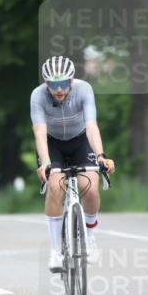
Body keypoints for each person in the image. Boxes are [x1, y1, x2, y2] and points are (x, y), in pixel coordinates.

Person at [31, 55, 115, 271]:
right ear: (46, 84)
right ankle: (56, 252)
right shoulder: (38, 96)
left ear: (72, 81)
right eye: (53, 84)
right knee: (55, 186)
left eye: (63, 84)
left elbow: (91, 126)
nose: (58, 89)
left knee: (91, 188)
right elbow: (40, 133)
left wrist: (101, 156)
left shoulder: (84, 89)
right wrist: (46, 162)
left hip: (80, 141)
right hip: (53, 144)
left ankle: (90, 238)